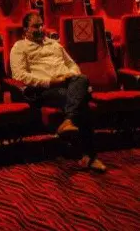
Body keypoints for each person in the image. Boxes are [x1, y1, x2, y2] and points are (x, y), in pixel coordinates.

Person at [10, 12, 106, 172]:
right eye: (35, 26)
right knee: (81, 102)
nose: (40, 28)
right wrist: (50, 81)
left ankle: (69, 121)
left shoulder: (54, 44)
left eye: (42, 25)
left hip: (66, 83)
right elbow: (19, 75)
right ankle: (90, 156)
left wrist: (70, 76)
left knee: (81, 78)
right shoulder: (19, 47)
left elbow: (72, 64)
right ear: (25, 29)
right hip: (44, 89)